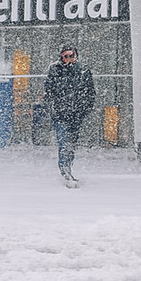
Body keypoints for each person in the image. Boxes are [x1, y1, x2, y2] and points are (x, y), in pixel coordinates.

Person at [44, 44, 95, 188]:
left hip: (76, 113)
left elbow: (90, 91)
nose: (68, 59)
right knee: (64, 142)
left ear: (76, 56)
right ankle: (65, 170)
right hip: (60, 114)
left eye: (71, 56)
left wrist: (85, 108)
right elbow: (49, 91)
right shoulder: (55, 69)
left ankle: (68, 167)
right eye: (65, 56)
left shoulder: (83, 70)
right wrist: (54, 108)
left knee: (71, 143)